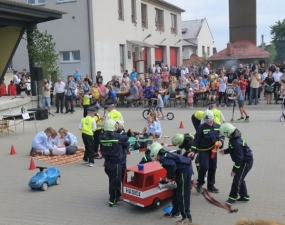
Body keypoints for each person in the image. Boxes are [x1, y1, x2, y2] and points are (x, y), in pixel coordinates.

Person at [148, 142, 193, 224]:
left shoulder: (162, 158)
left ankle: (187, 217)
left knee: (182, 195)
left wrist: (169, 178)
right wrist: (168, 177)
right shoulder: (165, 154)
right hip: (181, 171)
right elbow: (172, 167)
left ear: (155, 153)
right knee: (175, 193)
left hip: (184, 171)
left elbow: (172, 166)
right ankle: (175, 212)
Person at [188, 110, 224, 193]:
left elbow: (221, 136)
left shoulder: (218, 126)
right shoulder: (201, 127)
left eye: (210, 120)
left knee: (213, 167)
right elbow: (196, 140)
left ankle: (211, 186)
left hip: (213, 151)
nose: (209, 122)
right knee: (204, 167)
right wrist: (193, 150)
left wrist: (221, 142)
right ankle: (200, 183)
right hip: (203, 151)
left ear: (213, 118)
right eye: (207, 120)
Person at [219, 123, 254, 205]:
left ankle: (232, 197)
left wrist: (234, 170)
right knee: (240, 178)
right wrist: (226, 151)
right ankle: (244, 197)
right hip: (243, 161)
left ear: (228, 133)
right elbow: (233, 148)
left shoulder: (236, 142)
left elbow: (239, 158)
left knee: (237, 179)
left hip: (245, 162)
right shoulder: (235, 136)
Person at [100, 119, 128, 207]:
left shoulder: (101, 137)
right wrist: (120, 129)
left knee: (112, 181)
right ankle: (113, 200)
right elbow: (125, 137)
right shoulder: (116, 137)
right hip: (116, 163)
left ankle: (116, 196)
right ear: (114, 127)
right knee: (115, 182)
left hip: (107, 162)